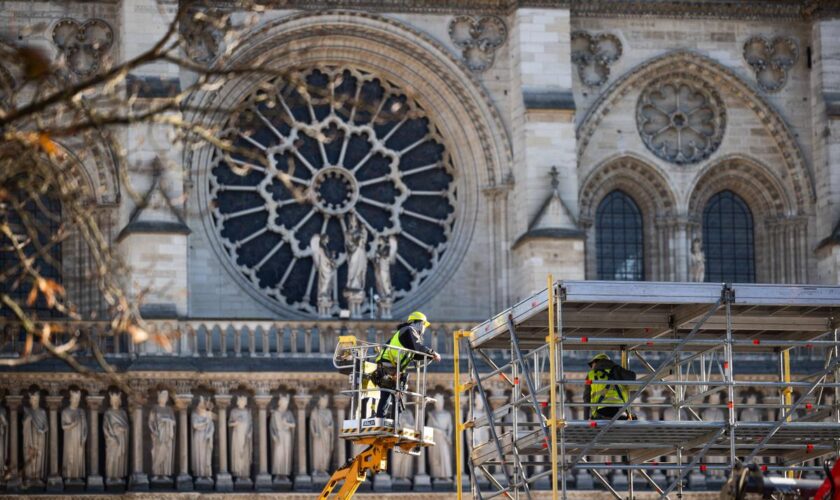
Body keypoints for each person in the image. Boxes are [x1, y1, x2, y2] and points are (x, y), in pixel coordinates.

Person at [373, 311, 441, 419]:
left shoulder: (404, 332)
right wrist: (432, 353)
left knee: (392, 395)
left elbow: (416, 355)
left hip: (391, 367)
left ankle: (388, 422)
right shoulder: (409, 331)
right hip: (389, 366)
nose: (424, 328)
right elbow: (417, 348)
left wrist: (428, 356)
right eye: (424, 325)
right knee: (391, 394)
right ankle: (386, 422)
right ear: (419, 323)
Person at [583, 353, 636, 420]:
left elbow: (587, 397)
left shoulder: (591, 374)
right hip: (620, 410)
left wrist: (586, 418)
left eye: (592, 365)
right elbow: (632, 377)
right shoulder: (617, 370)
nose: (592, 367)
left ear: (596, 362)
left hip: (602, 411)